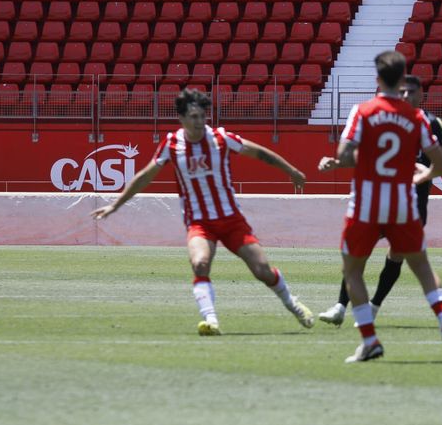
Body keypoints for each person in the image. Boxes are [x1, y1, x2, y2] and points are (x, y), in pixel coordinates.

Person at [92, 87, 315, 336]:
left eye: (202, 116)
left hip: (231, 220)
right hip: (199, 223)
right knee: (199, 264)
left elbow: (259, 153)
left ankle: (293, 305)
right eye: (194, 117)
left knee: (262, 271)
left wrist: (292, 171)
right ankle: (211, 320)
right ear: (182, 118)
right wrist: (116, 204)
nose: (199, 122)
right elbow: (145, 176)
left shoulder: (220, 138)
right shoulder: (172, 144)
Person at [316, 50, 442, 363]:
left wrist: (350, 160)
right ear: (401, 80)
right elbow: (441, 162)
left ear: (377, 79)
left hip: (366, 205)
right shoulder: (417, 117)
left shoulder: (363, 111)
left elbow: (345, 154)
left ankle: (369, 339)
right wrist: (421, 173)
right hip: (403, 205)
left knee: (353, 270)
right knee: (423, 269)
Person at [320, 74, 442, 327]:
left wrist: (422, 174)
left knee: (396, 256)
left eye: (411, 92)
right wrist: (336, 162)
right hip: (377, 199)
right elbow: (366, 156)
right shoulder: (383, 120)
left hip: (411, 204)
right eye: (402, 92)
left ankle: (374, 306)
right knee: (359, 255)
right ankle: (340, 306)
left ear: (421, 94)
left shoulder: (429, 122)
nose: (406, 97)